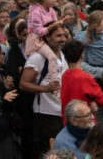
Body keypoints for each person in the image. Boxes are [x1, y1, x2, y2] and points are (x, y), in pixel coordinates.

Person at [19, 21, 69, 151]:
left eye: (64, 35)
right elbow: (23, 84)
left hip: (62, 113)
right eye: (58, 36)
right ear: (47, 37)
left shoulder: (61, 54)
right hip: (46, 115)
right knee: (51, 153)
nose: (63, 39)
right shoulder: (38, 57)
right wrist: (45, 89)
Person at [59, 39, 103, 121]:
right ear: (82, 56)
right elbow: (102, 100)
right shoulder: (85, 77)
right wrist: (95, 102)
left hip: (68, 122)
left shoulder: (65, 76)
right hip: (85, 122)